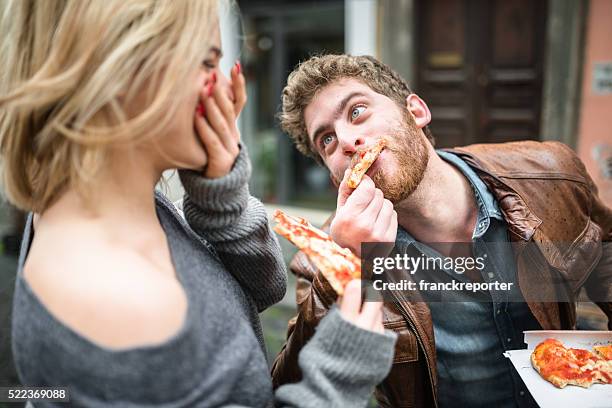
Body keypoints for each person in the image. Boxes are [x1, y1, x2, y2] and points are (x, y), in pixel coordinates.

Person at [0, 3, 398, 407]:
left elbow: (259, 291)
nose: (229, 91)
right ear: (122, 67)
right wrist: (338, 375)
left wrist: (221, 195)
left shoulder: (132, 207)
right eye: (209, 62)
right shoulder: (114, 296)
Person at [271, 54, 612, 408]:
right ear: (334, 177)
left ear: (416, 111)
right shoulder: (324, 262)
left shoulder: (551, 174)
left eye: (356, 112)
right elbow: (289, 387)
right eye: (326, 140)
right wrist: (347, 266)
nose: (345, 140)